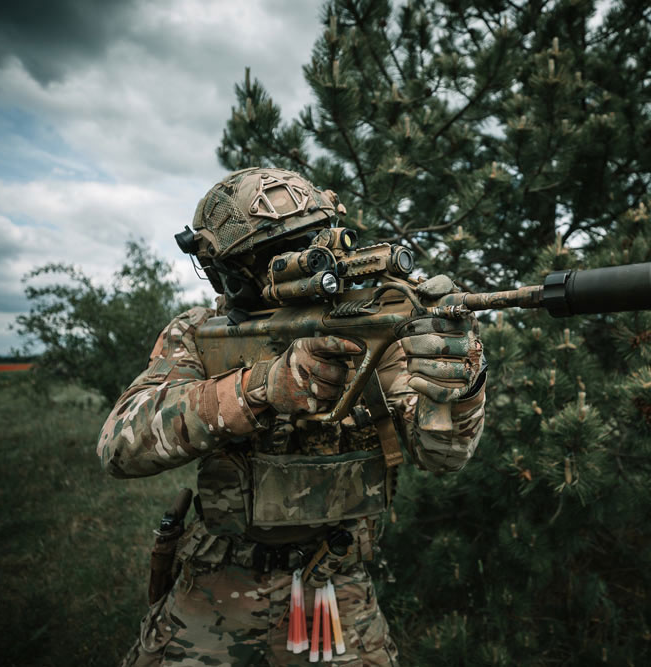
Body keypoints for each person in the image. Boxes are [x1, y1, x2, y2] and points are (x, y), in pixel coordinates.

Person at [97, 167, 487, 666]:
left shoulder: (373, 322)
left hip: (334, 584)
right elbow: (119, 446)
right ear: (227, 272)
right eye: (272, 256)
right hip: (219, 579)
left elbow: (444, 456)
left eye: (308, 244)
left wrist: (459, 385)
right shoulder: (198, 332)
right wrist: (260, 388)